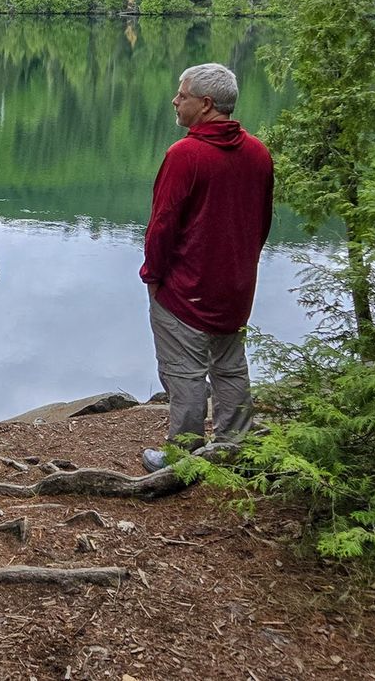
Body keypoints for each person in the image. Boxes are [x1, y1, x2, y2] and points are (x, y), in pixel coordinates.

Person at [139, 63, 274, 471]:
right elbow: (262, 223)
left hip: (185, 290)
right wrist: (241, 266)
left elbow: (163, 225)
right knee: (231, 369)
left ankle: (184, 456)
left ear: (206, 104)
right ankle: (236, 449)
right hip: (235, 288)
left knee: (185, 374)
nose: (175, 101)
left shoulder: (186, 155)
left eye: (182, 95)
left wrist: (154, 277)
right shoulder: (258, 153)